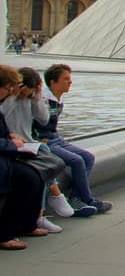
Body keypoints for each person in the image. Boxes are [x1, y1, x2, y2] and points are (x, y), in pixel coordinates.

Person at [0, 67, 75, 227]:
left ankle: (44, 210)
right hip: (12, 146)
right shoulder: (8, 99)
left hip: (25, 143)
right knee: (39, 168)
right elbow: (2, 114)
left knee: (45, 159)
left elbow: (43, 119)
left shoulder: (31, 98)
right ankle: (52, 199)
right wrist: (13, 97)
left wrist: (37, 97)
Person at [33, 64, 112, 215]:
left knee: (88, 157)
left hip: (55, 138)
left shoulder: (57, 98)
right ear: (53, 82)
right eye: (66, 78)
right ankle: (87, 200)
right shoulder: (42, 99)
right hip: (44, 141)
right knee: (77, 160)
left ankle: (75, 198)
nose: (70, 82)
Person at [0, 64, 51, 250]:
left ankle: (28, 224)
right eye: (7, 88)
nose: (9, 92)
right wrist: (11, 143)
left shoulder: (25, 99)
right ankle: (5, 233)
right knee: (27, 178)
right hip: (5, 155)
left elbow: (43, 119)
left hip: (8, 152)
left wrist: (9, 138)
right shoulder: (6, 102)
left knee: (34, 176)